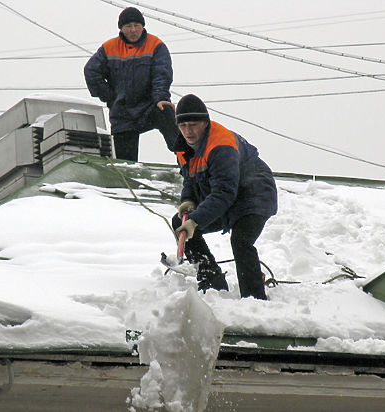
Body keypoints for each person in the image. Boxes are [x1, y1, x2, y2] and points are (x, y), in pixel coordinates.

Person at [172, 94, 278, 300]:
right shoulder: (184, 148)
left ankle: (255, 300)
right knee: (180, 223)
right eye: (183, 125)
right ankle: (213, 282)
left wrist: (196, 220)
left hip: (254, 195)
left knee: (241, 240)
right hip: (229, 199)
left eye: (193, 125)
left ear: (205, 123)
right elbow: (191, 179)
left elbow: (224, 192)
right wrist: (189, 200)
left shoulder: (221, 146)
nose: (188, 131)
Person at [84, 7, 178, 161]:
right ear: (121, 28)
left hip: (150, 107)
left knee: (166, 112)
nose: (133, 30)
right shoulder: (109, 48)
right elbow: (91, 71)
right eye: (128, 26)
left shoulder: (156, 45)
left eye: (136, 25)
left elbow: (162, 74)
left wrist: (161, 97)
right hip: (123, 112)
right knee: (126, 162)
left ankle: (188, 160)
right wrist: (109, 97)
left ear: (143, 26)